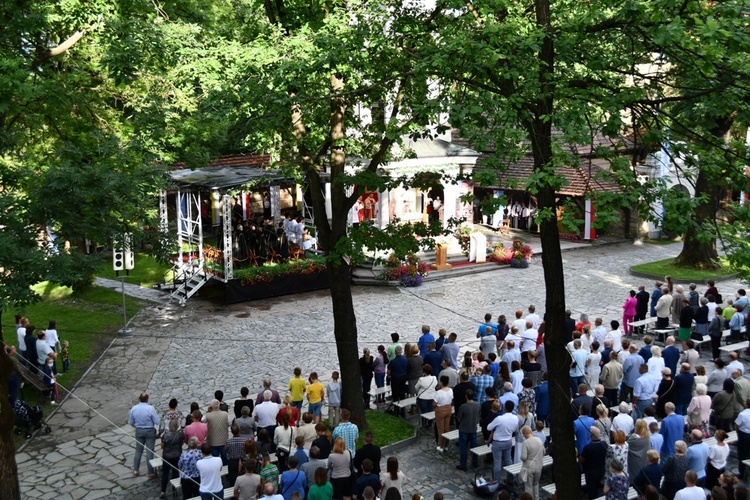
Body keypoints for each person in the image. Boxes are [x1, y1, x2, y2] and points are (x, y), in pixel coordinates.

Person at [128, 392, 159, 478]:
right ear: (147, 399)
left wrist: (137, 426)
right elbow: (157, 421)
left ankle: (135, 470)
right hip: (149, 431)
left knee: (138, 451)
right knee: (150, 452)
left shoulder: (134, 409)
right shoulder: (150, 408)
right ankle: (151, 473)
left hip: (139, 431)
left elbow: (131, 422)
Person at [487, 400, 518, 483]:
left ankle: (496, 481)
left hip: (498, 442)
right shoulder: (515, 418)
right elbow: (515, 429)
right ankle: (510, 479)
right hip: (508, 441)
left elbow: (489, 428)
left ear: (505, 408)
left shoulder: (500, 418)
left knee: (497, 462)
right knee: (508, 460)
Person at [580, 426, 609, 499]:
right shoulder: (604, 444)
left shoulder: (588, 447)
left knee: (592, 492)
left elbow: (581, 460)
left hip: (591, 473)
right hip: (602, 470)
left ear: (590, 435)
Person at [159, 418, 184, 498]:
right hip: (177, 456)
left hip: (167, 456)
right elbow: (182, 443)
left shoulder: (165, 436)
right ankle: (174, 489)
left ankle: (163, 491)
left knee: (165, 474)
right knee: (175, 472)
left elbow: (162, 446)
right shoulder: (180, 435)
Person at [456, 389, 480, 470]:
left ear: (466, 396)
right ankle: (475, 462)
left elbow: (459, 418)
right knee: (474, 446)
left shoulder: (463, 406)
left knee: (463, 447)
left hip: (464, 429)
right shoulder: (478, 405)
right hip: (473, 428)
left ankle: (463, 464)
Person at [518, 425, 543, 498]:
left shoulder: (526, 442)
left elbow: (523, 457)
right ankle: (537, 498)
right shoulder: (539, 440)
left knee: (528, 486)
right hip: (539, 466)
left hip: (529, 467)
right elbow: (544, 452)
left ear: (524, 433)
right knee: (536, 484)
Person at [206, 399, 230, 465]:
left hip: (213, 441)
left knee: (215, 459)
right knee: (225, 458)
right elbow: (229, 423)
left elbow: (202, 420)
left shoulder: (208, 415)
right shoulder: (225, 414)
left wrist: (208, 411)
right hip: (223, 440)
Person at [433, 375, 453, 452]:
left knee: (440, 428)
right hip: (448, 409)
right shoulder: (450, 390)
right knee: (447, 427)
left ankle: (441, 446)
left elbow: (434, 403)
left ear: (441, 382)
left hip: (440, 410)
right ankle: (446, 445)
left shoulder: (438, 392)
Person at [627, 419, 650, 484]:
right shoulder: (647, 437)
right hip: (644, 460)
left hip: (634, 462)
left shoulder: (633, 438)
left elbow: (626, 446)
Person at [227, 424, 247, 489]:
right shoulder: (245, 440)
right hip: (243, 461)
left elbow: (226, 450)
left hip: (232, 462)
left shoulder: (229, 442)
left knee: (232, 480)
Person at [735, 398, 750, 479]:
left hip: (743, 435)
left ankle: (742, 472)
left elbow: (737, 425)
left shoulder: (742, 414)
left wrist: (738, 432)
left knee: (742, 454)